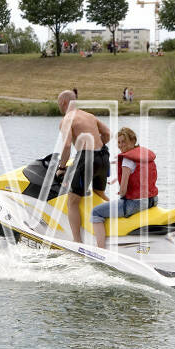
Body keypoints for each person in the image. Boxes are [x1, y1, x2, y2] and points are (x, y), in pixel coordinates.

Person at [55, 90, 111, 243]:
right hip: (104, 156)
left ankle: (77, 242)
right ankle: (114, 225)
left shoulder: (67, 119)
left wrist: (61, 167)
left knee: (72, 201)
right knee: (100, 195)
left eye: (59, 103)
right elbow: (107, 134)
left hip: (87, 158)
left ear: (63, 103)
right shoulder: (89, 115)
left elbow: (67, 146)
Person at [91, 128, 158, 249]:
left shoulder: (127, 159)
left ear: (133, 141)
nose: (121, 145)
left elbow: (123, 191)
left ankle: (100, 249)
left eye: (124, 142)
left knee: (96, 212)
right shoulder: (144, 154)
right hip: (152, 200)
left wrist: (121, 193)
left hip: (135, 203)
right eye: (119, 142)